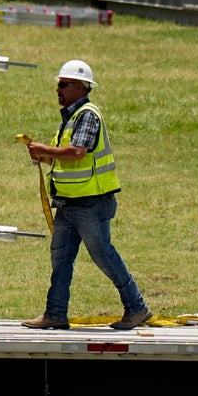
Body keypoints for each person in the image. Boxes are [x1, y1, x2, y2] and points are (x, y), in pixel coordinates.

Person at [21, 60, 151, 331]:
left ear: (80, 87)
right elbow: (68, 160)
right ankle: (55, 313)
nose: (58, 89)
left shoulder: (87, 115)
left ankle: (136, 307)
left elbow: (77, 152)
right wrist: (44, 156)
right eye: (59, 84)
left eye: (63, 84)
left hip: (91, 203)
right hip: (69, 203)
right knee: (61, 260)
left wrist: (47, 150)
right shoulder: (71, 118)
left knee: (103, 255)